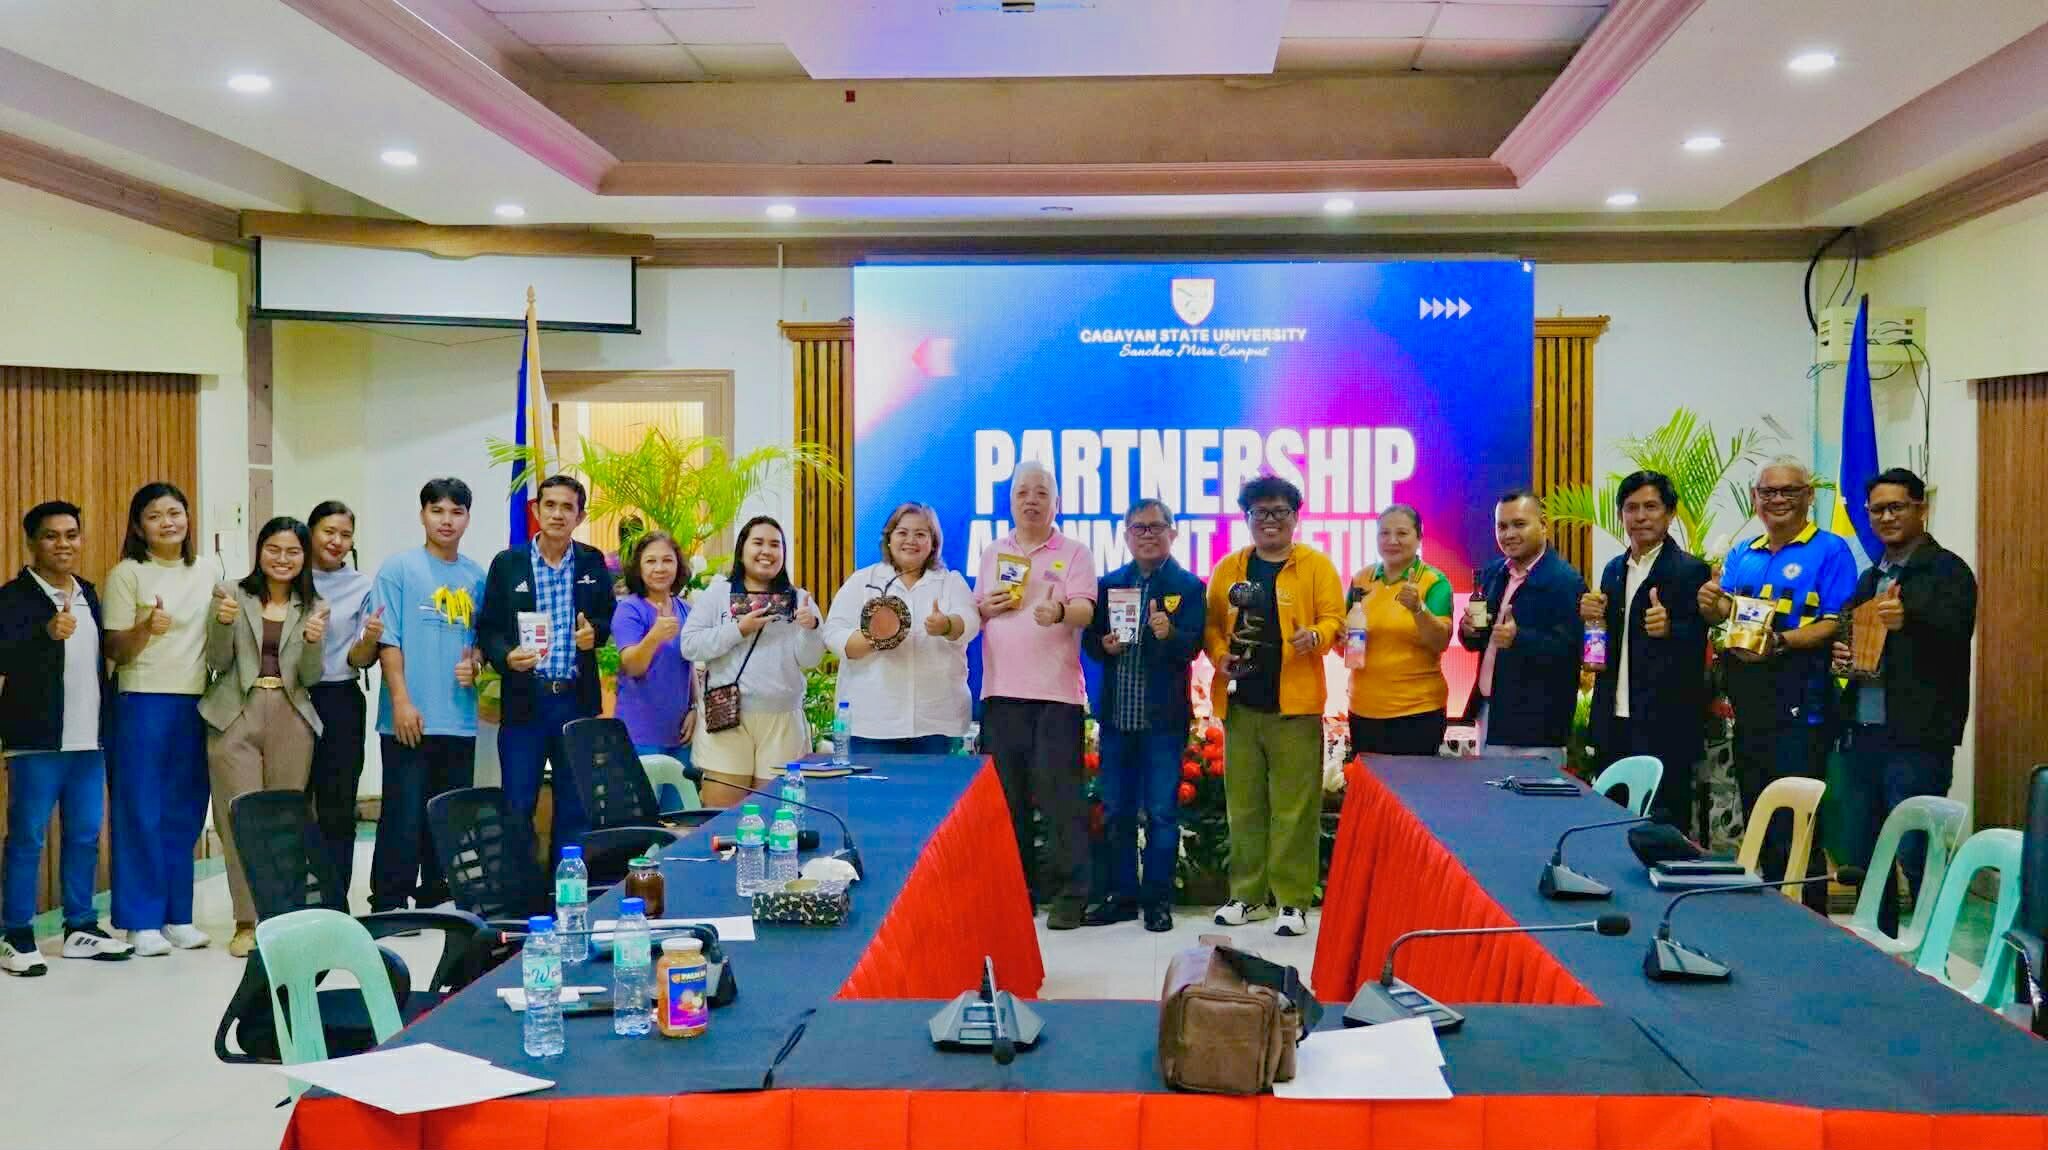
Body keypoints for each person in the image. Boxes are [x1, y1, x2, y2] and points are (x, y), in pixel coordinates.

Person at [1698, 458, 1855, 911]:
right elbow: (1727, 614)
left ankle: (1811, 918)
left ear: (1809, 496)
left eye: (1789, 491)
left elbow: (1836, 622)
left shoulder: (1831, 550)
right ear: (1755, 499)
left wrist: (1781, 642)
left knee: (1798, 819)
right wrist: (1711, 603)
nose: (1778, 500)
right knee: (1759, 812)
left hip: (1802, 698)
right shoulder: (1744, 552)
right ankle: (1769, 914)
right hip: (1749, 699)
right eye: (1768, 492)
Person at [1832, 468, 1976, 936]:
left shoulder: (1948, 570)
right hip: (1863, 733)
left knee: (1918, 851)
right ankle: (1879, 945)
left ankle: (1933, 951)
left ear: (1921, 509)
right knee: (1867, 855)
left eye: (1897, 507)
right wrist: (1842, 653)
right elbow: (1854, 638)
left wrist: (1908, 618)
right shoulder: (1870, 577)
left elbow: (1956, 634)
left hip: (1917, 738)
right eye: (1877, 509)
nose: (1887, 517)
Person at [1203, 475, 1344, 937]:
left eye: (1279, 512)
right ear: (1247, 519)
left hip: (1295, 707)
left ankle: (1292, 901)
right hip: (1241, 706)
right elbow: (1212, 626)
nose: (1270, 521)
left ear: (1295, 517)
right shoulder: (1229, 568)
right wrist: (1219, 655)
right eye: (1260, 512)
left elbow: (1334, 619)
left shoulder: (1316, 566)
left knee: (1295, 810)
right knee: (1243, 806)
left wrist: (1316, 636)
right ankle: (1247, 897)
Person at [0, 501, 132, 974]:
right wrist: (45, 634)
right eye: (51, 536)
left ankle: (80, 926)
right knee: (27, 838)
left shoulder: (88, 593)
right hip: (36, 741)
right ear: (32, 543)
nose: (63, 544)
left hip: (88, 740)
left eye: (71, 535)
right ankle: (15, 933)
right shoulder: (13, 598)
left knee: (84, 835)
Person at [975, 461, 1098, 930]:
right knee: (1007, 802)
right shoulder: (993, 552)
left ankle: (1071, 895)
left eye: (1041, 492)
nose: (1031, 500)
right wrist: (985, 606)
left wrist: (1060, 611)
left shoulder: (1075, 552)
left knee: (1061, 799)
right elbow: (977, 609)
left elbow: (1087, 609)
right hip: (1000, 694)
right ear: (1010, 501)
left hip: (1056, 697)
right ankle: (1016, 890)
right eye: (1023, 492)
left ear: (1056, 502)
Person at [201, 517, 329, 957]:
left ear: (304, 557)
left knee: (284, 823)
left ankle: (282, 917)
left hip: (291, 716)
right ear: (260, 551)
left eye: (293, 551)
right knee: (239, 820)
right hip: (236, 712)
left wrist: (313, 642)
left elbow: (310, 676)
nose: (282, 559)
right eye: (273, 549)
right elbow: (217, 662)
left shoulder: (314, 605)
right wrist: (222, 624)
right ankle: (246, 922)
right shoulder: (231, 594)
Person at [1080, 499, 1205, 932]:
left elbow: (1194, 647)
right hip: (1117, 719)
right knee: (1116, 811)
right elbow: (1091, 642)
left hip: (1162, 723)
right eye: (1138, 528)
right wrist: (1103, 646)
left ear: (1173, 532)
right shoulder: (1109, 584)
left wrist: (1171, 635)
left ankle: (1157, 901)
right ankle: (1121, 896)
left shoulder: (1188, 587)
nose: (1147, 535)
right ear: (1126, 536)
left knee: (1161, 814)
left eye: (1155, 527)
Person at [103, 482, 216, 956]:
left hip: (196, 701)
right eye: (155, 515)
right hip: (141, 701)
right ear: (138, 526)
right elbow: (113, 646)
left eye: (175, 512)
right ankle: (140, 920)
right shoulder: (127, 573)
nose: (168, 522)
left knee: (184, 811)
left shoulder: (208, 570)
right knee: (140, 810)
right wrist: (146, 629)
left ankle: (177, 915)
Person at [477, 475, 613, 865]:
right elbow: (489, 628)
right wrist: (507, 657)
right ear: (536, 510)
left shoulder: (591, 561)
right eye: (549, 505)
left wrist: (594, 633)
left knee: (576, 805)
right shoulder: (509, 563)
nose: (557, 514)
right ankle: (521, 889)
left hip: (574, 699)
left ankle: (566, 887)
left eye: (567, 507)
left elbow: (606, 617)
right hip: (526, 701)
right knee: (518, 803)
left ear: (580, 516)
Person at [369, 478, 486, 913]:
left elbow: (481, 643)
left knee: (449, 813)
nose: (446, 520)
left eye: (456, 512)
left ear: (468, 518)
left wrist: (476, 663)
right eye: (437, 510)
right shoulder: (398, 569)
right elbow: (389, 642)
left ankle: (438, 895)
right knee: (403, 814)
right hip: (408, 715)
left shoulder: (477, 577)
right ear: (422, 515)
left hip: (458, 716)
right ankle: (389, 901)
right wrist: (401, 701)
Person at [1583, 472, 1712, 834]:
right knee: (1609, 825)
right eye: (1631, 508)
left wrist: (1671, 630)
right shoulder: (1613, 569)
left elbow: (1700, 644)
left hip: (1665, 724)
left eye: (1651, 507)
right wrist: (1590, 616)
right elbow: (1605, 638)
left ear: (1670, 514)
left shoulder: (1690, 570)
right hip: (1613, 720)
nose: (1640, 517)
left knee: (1662, 830)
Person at [679, 516, 826, 808]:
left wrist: (810, 629)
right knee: (722, 817)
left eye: (775, 544)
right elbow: (690, 645)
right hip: (727, 717)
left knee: (777, 816)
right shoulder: (719, 594)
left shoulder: (800, 599)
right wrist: (739, 629)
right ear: (742, 549)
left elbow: (810, 660)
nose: (766, 551)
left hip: (782, 719)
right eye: (758, 543)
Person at [823, 502, 978, 756]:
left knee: (934, 783)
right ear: (889, 538)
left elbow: (970, 622)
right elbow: (833, 633)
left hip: (936, 722)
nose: (911, 541)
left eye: (921, 534)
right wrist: (873, 636)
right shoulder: (863, 581)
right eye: (902, 532)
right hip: (872, 722)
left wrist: (946, 625)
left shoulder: (950, 582)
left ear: (933, 542)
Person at [1460, 489, 1588, 756]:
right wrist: (1468, 630)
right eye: (1502, 526)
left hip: (1536, 728)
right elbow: (1480, 641)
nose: (1509, 534)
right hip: (1490, 715)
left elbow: (1571, 652)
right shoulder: (1494, 573)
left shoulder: (1566, 582)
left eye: (1519, 524)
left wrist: (1519, 638)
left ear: (1543, 525)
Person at [306, 501, 383, 897]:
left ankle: (334, 899)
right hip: (290, 698)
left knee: (337, 806)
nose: (336, 541)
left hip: (339, 698)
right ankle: (292, 898)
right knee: (292, 802)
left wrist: (369, 639)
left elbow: (360, 658)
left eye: (345, 535)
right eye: (328, 532)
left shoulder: (361, 586)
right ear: (310, 532)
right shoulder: (289, 576)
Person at [1344, 504, 1454, 757]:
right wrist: (1341, 638)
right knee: (1370, 781)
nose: (1392, 541)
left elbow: (1440, 642)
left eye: (1402, 533)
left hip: (1417, 711)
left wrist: (1418, 609)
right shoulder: (1361, 579)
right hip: (1363, 708)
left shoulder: (1434, 581)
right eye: (1384, 533)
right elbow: (1347, 646)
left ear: (1419, 537)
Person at [611, 531, 697, 781]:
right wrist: (655, 636)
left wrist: (694, 708)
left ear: (678, 566)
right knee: (645, 806)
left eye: (667, 560)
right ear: (639, 568)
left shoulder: (686, 609)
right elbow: (632, 666)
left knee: (683, 805)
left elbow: (690, 665)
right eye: (651, 561)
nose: (660, 568)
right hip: (640, 736)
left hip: (680, 735)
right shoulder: (629, 609)